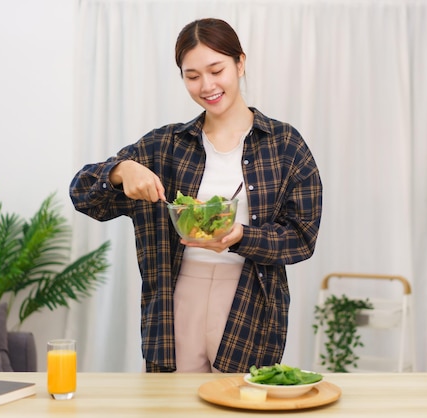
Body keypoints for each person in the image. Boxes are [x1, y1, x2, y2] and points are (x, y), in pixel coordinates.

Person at [69, 18, 323, 373]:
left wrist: (241, 238)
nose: (207, 85)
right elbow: (82, 194)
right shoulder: (165, 146)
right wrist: (120, 171)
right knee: (173, 407)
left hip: (248, 301)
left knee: (239, 405)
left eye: (216, 70)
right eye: (192, 76)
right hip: (175, 299)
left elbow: (302, 237)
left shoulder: (284, 144)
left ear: (240, 63)